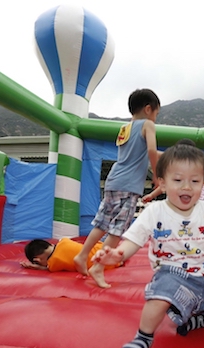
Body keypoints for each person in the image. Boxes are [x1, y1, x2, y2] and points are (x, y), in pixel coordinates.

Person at [91, 143, 204, 348]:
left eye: (194, 181)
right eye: (178, 180)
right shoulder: (155, 211)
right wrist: (118, 254)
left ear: (202, 183)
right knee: (159, 297)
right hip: (172, 273)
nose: (186, 187)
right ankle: (143, 337)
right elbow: (133, 239)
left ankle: (196, 320)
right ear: (162, 183)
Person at [73, 89, 160, 287]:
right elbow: (151, 150)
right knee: (117, 228)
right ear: (148, 109)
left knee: (102, 223)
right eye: (156, 114)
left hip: (114, 180)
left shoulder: (124, 128)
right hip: (129, 185)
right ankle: (98, 267)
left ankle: (82, 255)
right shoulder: (148, 125)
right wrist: (157, 175)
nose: (155, 118)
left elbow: (141, 153)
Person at [142, 138, 204, 204]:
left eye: (194, 181)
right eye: (178, 180)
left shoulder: (197, 168)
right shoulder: (174, 167)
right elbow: (165, 185)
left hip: (199, 200)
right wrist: (152, 195)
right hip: (178, 200)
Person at [21, 238, 122, 272]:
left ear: (38, 260)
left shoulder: (54, 262)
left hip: (107, 263)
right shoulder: (64, 240)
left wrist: (38, 268)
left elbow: (48, 268)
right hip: (104, 249)